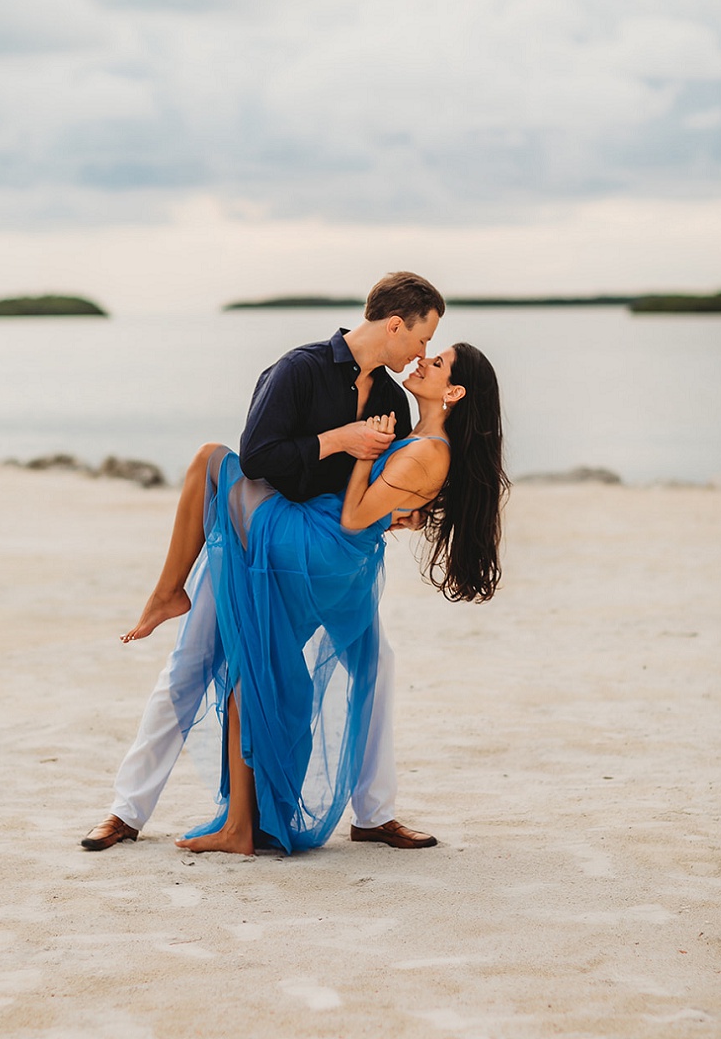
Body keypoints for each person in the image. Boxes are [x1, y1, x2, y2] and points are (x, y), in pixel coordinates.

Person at [81, 271, 447, 850]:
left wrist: (404, 512)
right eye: (423, 338)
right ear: (396, 325)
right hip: (260, 546)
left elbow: (379, 485)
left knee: (377, 666)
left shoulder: (391, 399)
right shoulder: (299, 369)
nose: (423, 351)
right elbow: (257, 456)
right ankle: (126, 812)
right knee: (192, 663)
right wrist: (340, 439)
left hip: (327, 556)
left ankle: (374, 815)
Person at [174, 339, 508, 855]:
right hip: (336, 555)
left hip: (318, 547)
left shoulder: (426, 448)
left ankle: (244, 822)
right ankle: (253, 818)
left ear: (455, 392)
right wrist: (390, 490)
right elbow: (386, 505)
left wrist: (361, 451)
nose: (423, 359)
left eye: (437, 362)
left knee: (213, 461)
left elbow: (355, 514)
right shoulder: (419, 437)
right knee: (267, 664)